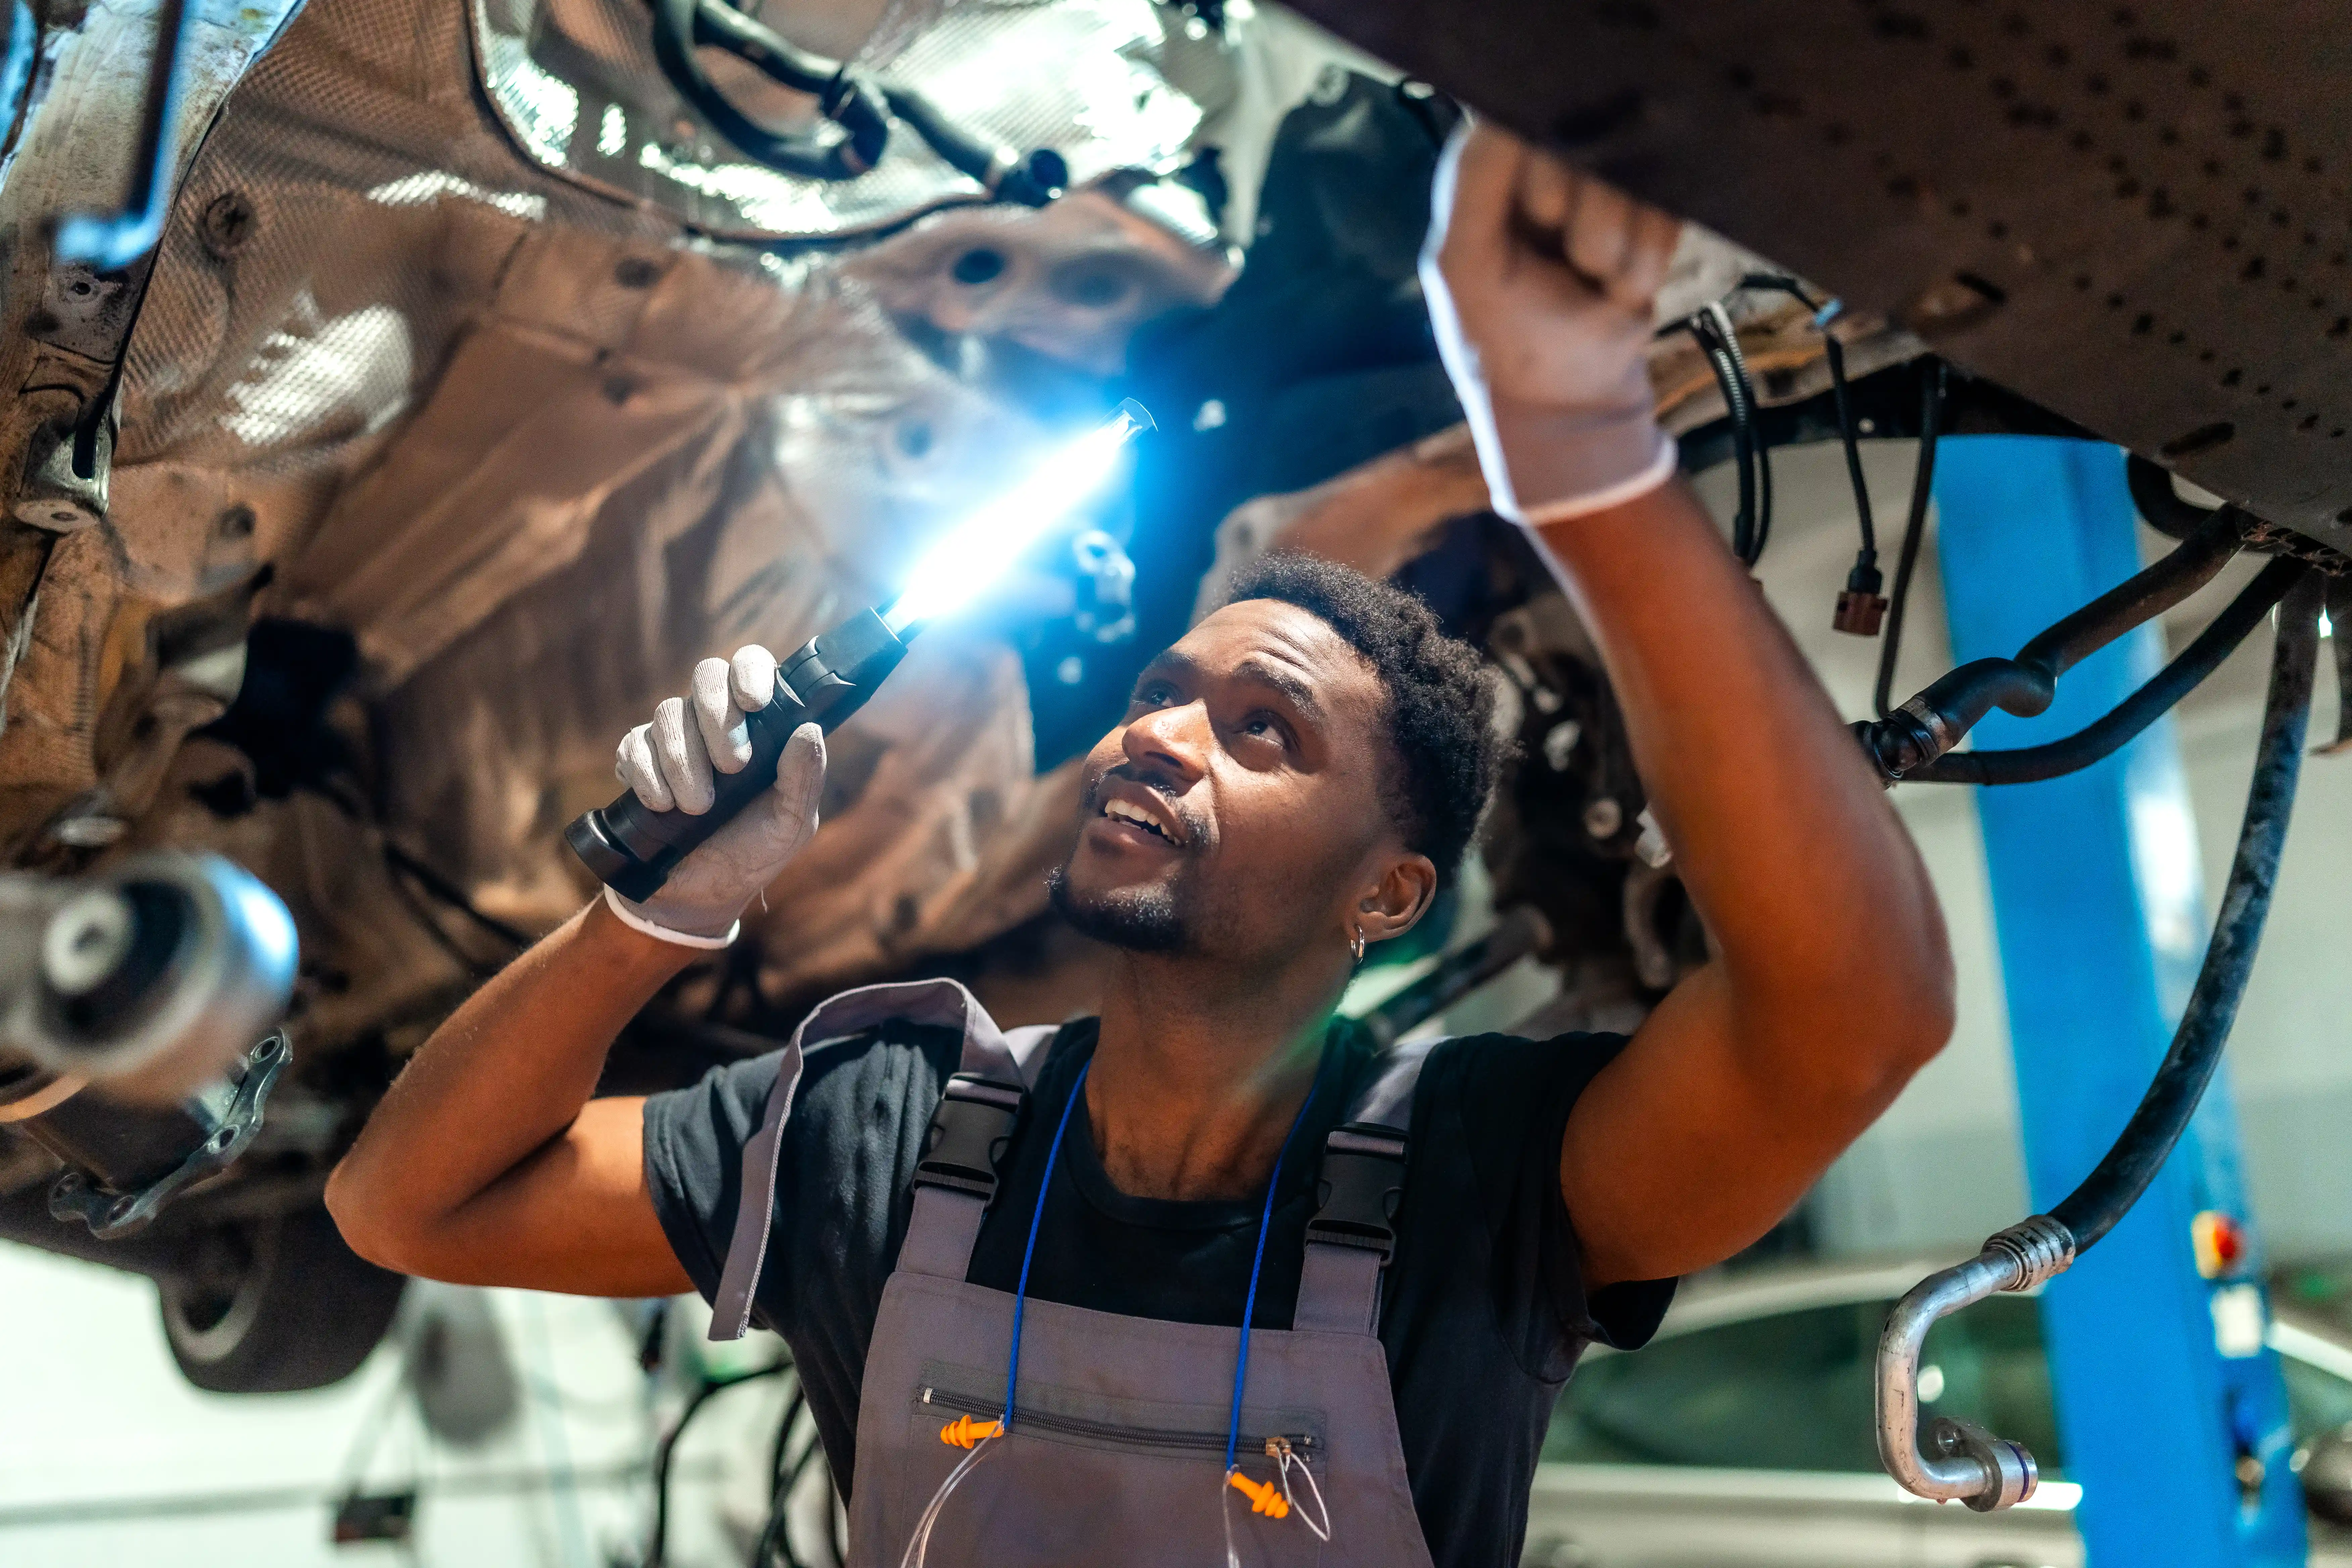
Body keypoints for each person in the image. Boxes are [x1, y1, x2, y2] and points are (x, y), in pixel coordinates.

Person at [327, 122, 1953, 1568]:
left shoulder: (1481, 1177)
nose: (1159, 733)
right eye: (1161, 692)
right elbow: (408, 1208)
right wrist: (655, 919)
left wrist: (1580, 445)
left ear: (1391, 890)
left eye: (1264, 728)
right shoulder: (879, 1129)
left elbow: (1851, 1022)